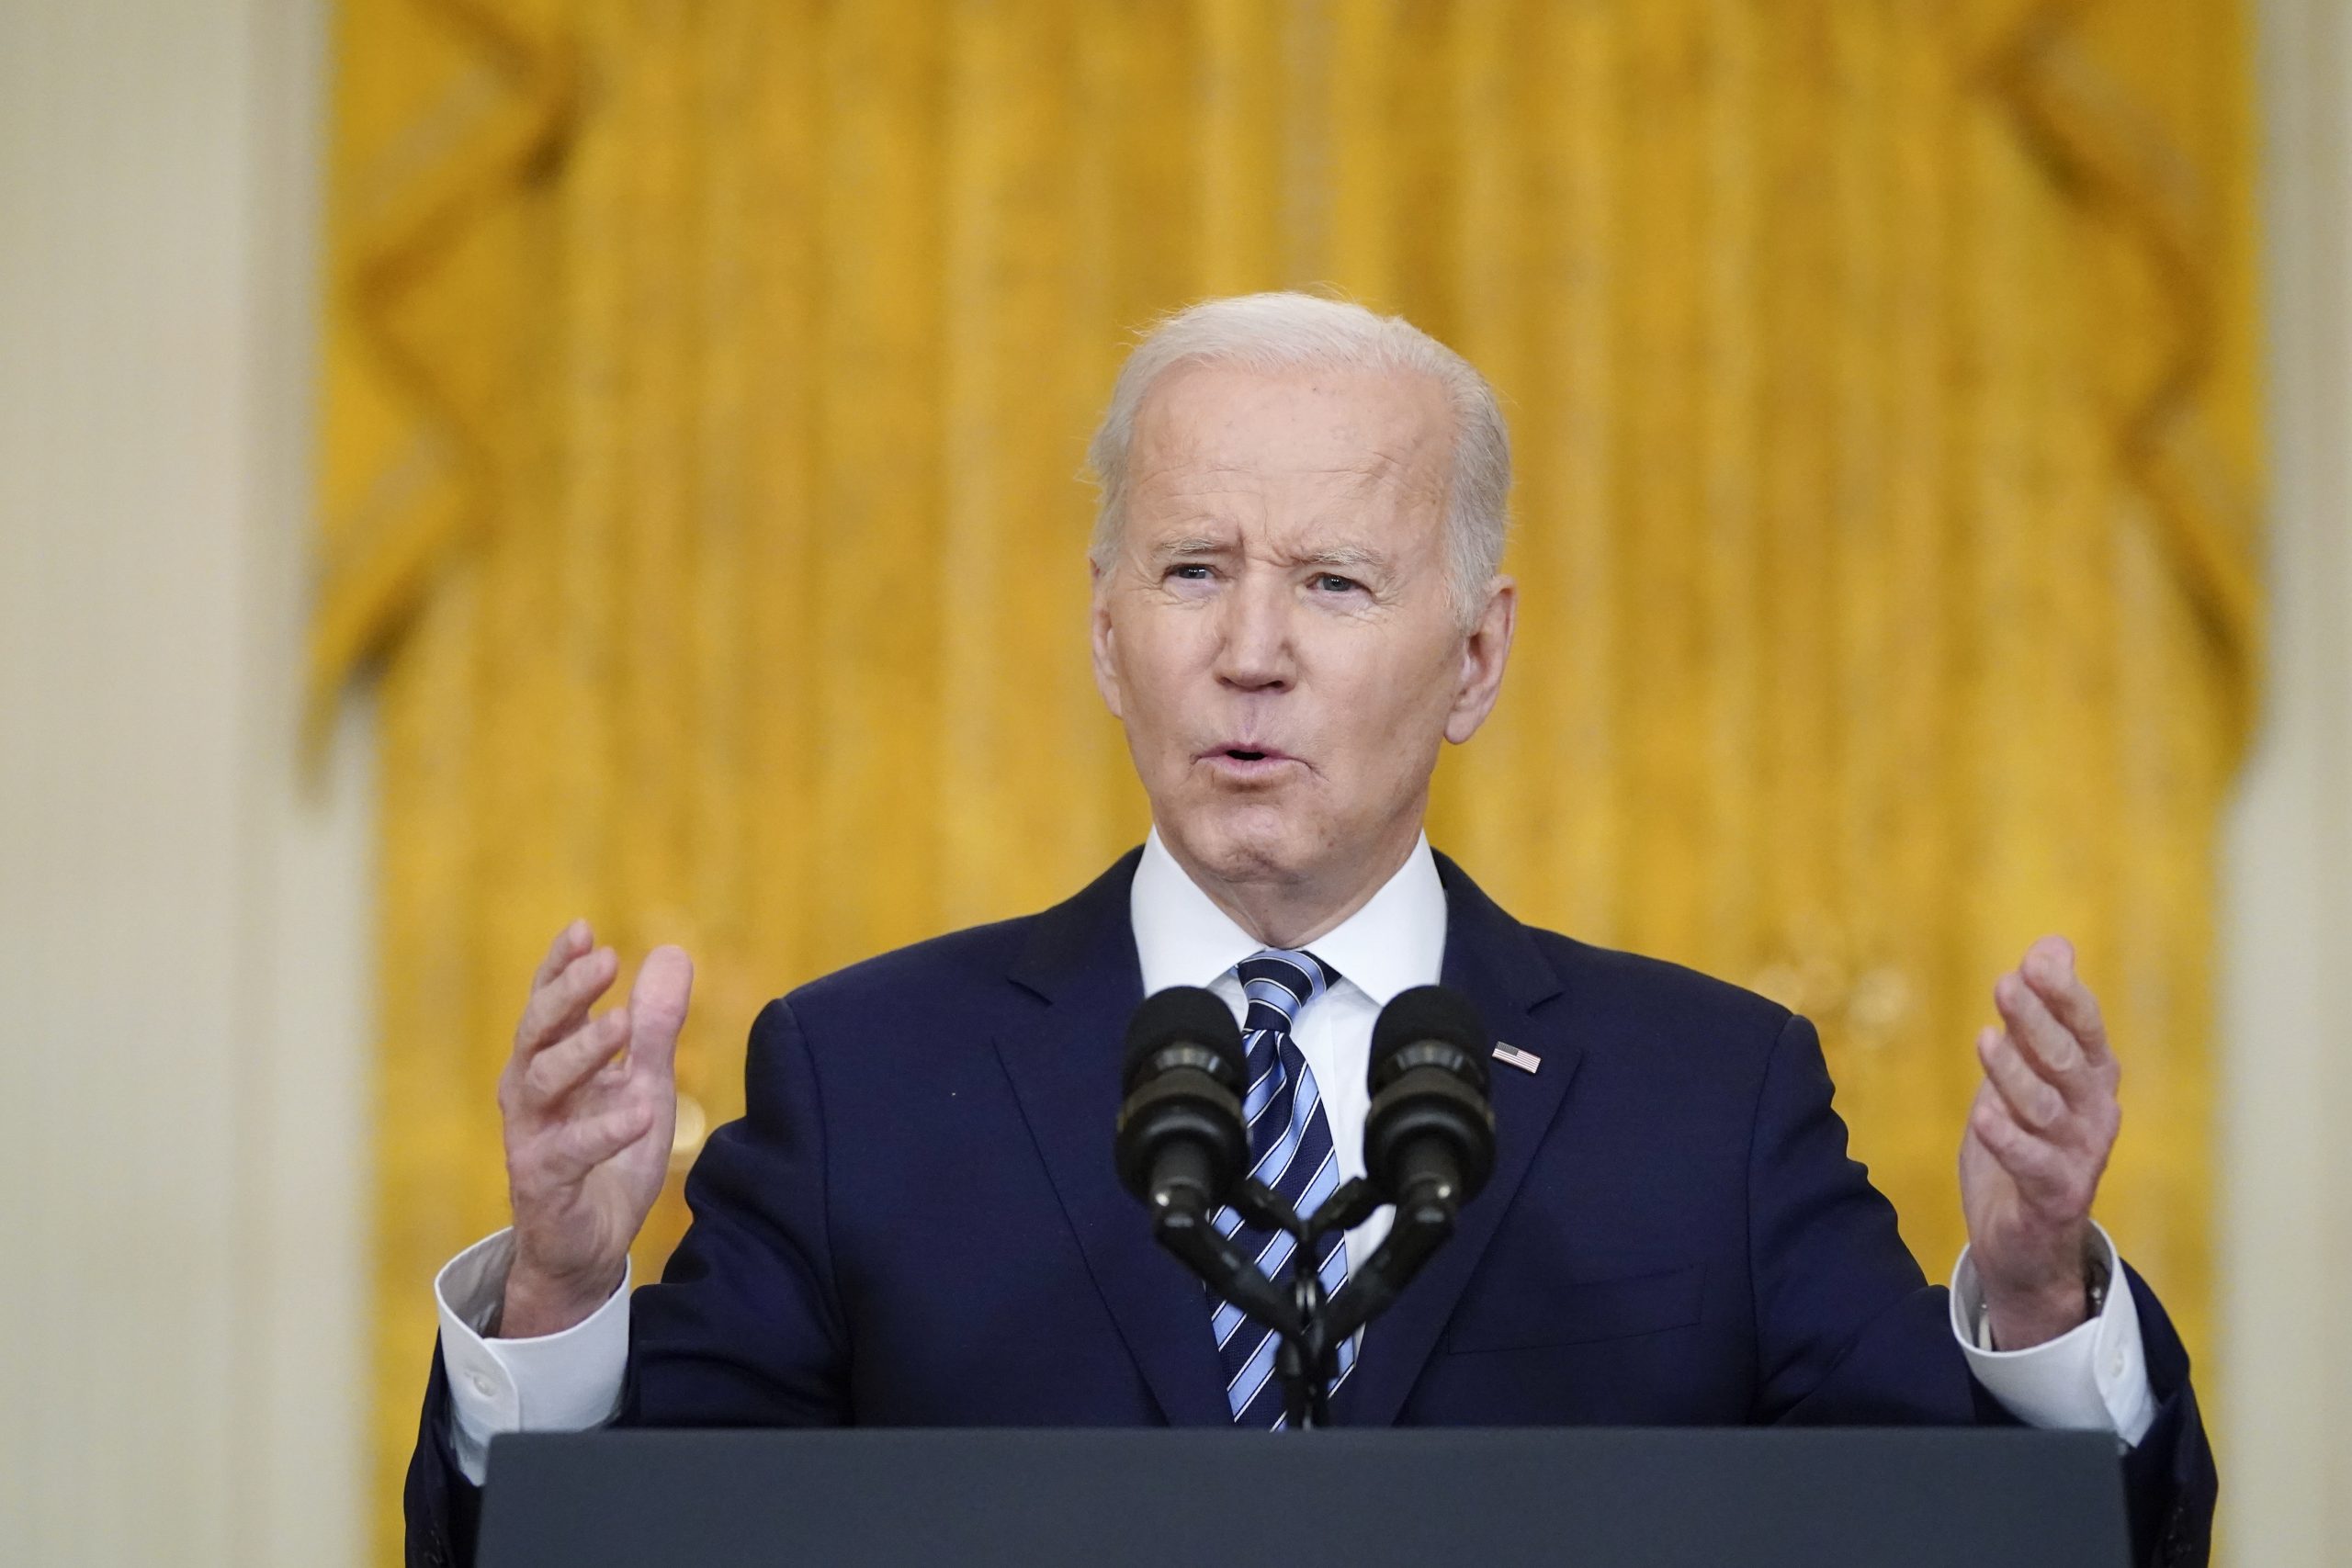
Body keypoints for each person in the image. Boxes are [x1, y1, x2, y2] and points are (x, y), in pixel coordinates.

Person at [404, 293, 2214, 1567]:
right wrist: (561, 1291)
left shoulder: (1707, 1097)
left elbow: (1967, 1542)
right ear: (1105, 632)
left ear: (1476, 656)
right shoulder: (864, 1077)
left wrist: (2037, 1295)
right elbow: (635, 1544)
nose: (1249, 651)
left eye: (1334, 582)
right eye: (1192, 569)